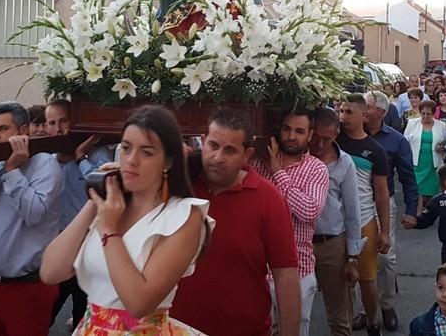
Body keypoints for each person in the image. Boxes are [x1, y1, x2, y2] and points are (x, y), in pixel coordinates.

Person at [39, 106, 212, 334]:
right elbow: (51, 272)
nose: (131, 160)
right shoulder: (111, 206)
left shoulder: (183, 216)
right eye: (127, 148)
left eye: (146, 152)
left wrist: (110, 230)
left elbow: (139, 303)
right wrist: (95, 199)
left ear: (168, 162)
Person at [170, 108, 300, 336]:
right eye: (213, 146)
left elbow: (285, 275)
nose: (218, 157)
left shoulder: (268, 198)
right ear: (203, 141)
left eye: (229, 150)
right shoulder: (178, 187)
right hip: (175, 329)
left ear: (247, 154)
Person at [0, 102, 66, 336]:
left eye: (2, 129)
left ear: (23, 131)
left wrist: (13, 171)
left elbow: (34, 214)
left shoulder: (45, 164)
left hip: (28, 287)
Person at [250, 111, 329, 336]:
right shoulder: (257, 165)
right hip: (259, 271)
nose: (291, 136)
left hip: (299, 269)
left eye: (299, 131)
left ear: (310, 135)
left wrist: (278, 172)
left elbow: (309, 210)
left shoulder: (316, 169)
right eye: (287, 129)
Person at [45, 99, 106, 330]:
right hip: (59, 248)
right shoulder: (47, 162)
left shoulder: (97, 154)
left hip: (90, 250)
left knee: (84, 317)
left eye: (64, 120)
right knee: (45, 312)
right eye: (53, 123)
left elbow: (103, 187)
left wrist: (81, 159)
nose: (60, 129)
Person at [364, 91, 418, 331]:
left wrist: (412, 210)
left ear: (381, 113)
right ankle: (364, 309)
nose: (363, 111)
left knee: (385, 259)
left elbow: (407, 177)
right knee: (358, 257)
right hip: (354, 204)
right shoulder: (348, 136)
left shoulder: (396, 140)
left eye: (367, 107)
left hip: (383, 204)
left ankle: (386, 305)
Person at [336, 93, 390, 336]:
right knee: (338, 282)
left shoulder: (375, 150)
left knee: (368, 282)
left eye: (348, 112)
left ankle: (371, 322)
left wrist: (385, 231)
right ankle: (343, 325)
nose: (342, 116)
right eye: (340, 111)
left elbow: (381, 193)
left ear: (363, 115)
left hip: (366, 222)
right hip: (336, 225)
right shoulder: (332, 142)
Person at [308, 107, 363, 336]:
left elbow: (352, 212)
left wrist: (352, 257)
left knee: (339, 316)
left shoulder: (345, 163)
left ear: (336, 134)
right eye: (317, 138)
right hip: (300, 243)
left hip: (332, 244)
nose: (321, 145)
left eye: (327, 139)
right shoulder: (298, 158)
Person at [405, 100, 446, 214]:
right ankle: (418, 213)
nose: (425, 116)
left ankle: (430, 212)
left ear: (433, 114)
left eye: (428, 114)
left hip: (433, 161)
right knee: (418, 187)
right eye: (423, 113)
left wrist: (444, 149)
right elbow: (405, 141)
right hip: (417, 161)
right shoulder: (412, 123)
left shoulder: (441, 125)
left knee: (431, 189)